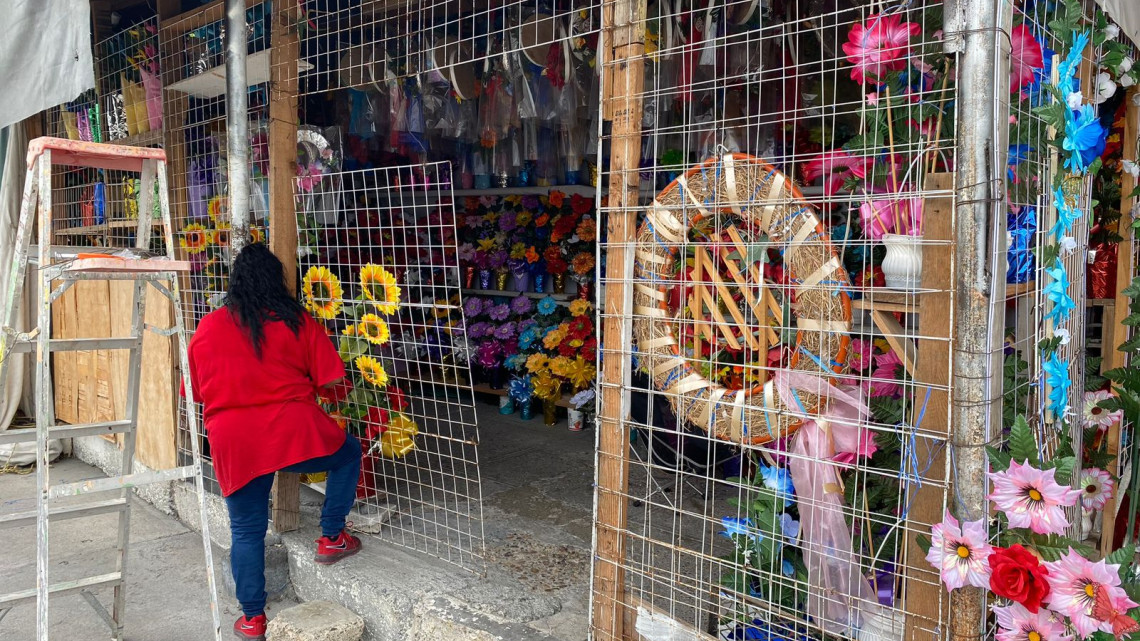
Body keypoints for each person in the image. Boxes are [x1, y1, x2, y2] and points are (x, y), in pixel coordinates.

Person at [187, 243, 362, 641]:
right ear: (277, 280)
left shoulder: (209, 327)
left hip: (235, 442)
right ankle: (332, 537)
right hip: (292, 431)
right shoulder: (296, 320)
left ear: (235, 283)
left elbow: (195, 390)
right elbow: (331, 380)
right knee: (348, 454)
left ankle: (252, 620)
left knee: (246, 531)